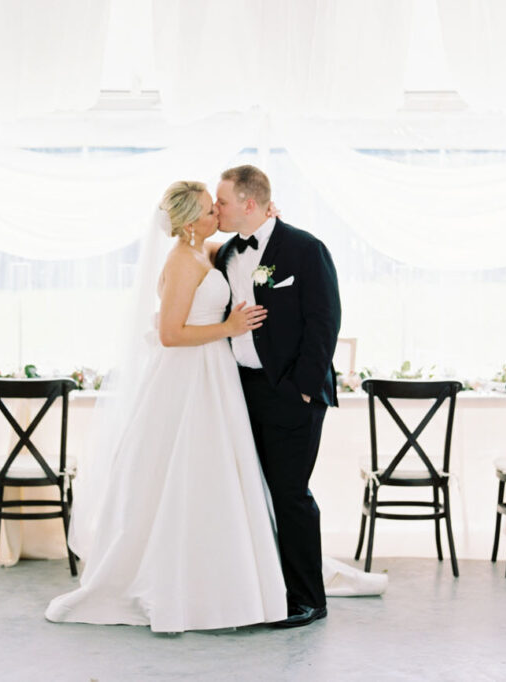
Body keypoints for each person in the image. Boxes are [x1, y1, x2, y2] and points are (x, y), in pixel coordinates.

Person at [45, 181, 288, 632]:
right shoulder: (180, 261)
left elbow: (240, 243)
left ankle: (225, 580)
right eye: (209, 209)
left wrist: (266, 217)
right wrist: (230, 326)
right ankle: (180, 586)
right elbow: (170, 334)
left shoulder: (203, 252)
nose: (217, 211)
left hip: (214, 377)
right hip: (188, 377)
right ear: (190, 221)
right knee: (182, 473)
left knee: (215, 474)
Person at [214, 164, 342, 628]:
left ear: (250, 203)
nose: (216, 207)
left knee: (290, 495)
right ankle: (266, 591)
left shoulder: (306, 249)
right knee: (252, 494)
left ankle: (309, 599)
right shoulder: (224, 252)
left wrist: (303, 391)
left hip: (292, 394)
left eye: (222, 201)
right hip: (239, 391)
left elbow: (324, 322)